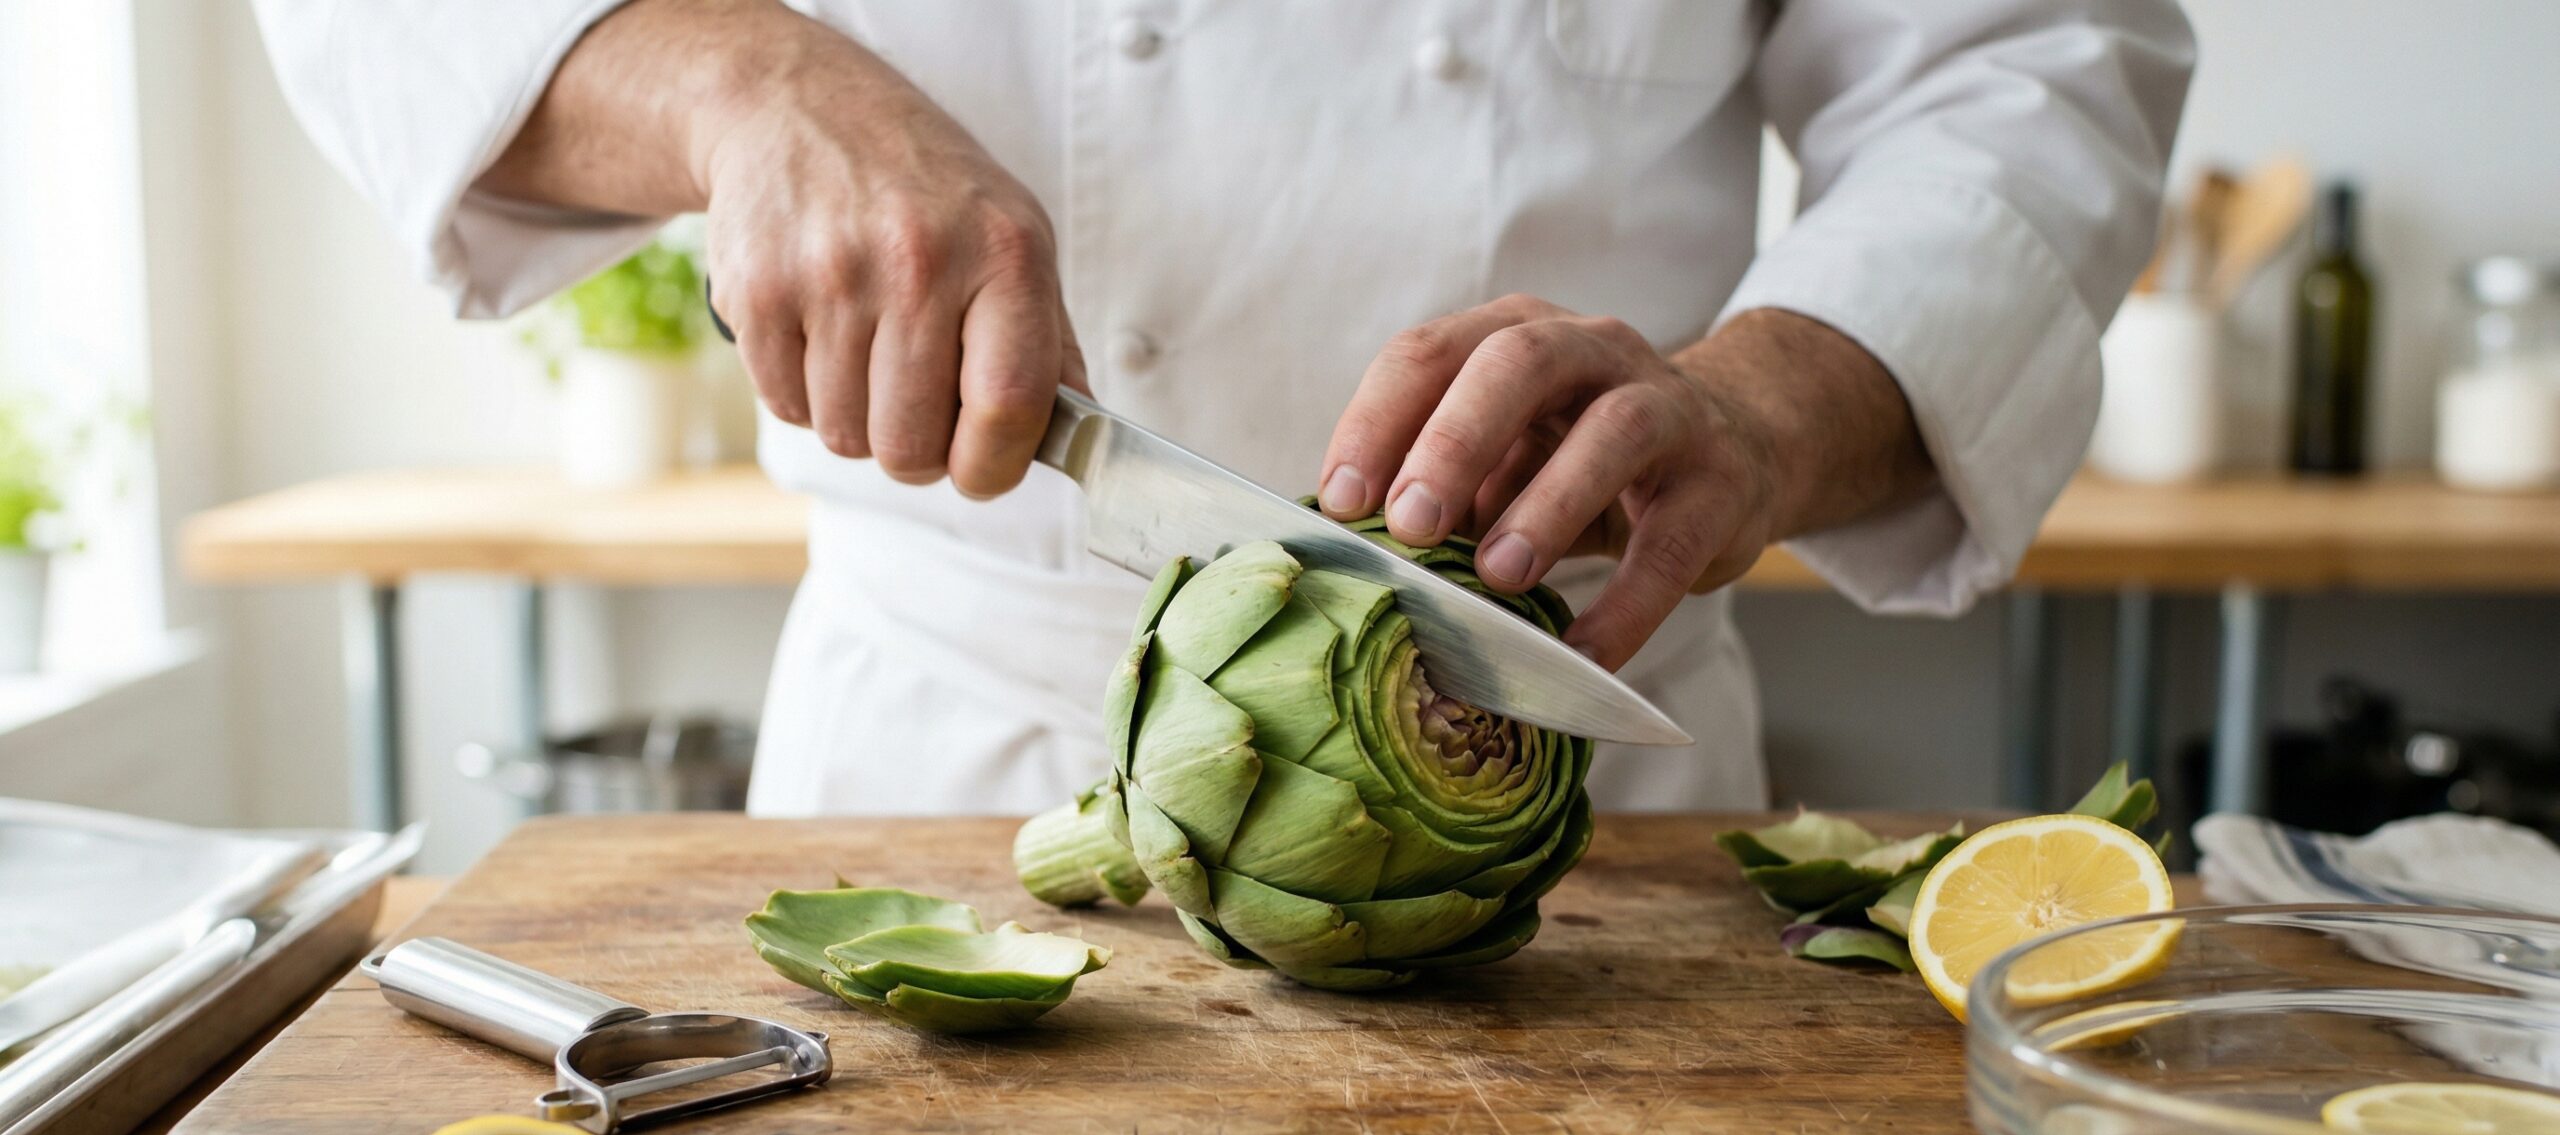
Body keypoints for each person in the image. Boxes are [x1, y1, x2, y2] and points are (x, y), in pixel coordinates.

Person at [253, 0, 2192, 815]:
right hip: (950, 753)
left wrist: (1762, 404)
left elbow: (2019, 63)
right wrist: (725, 77)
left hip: (1569, 762)